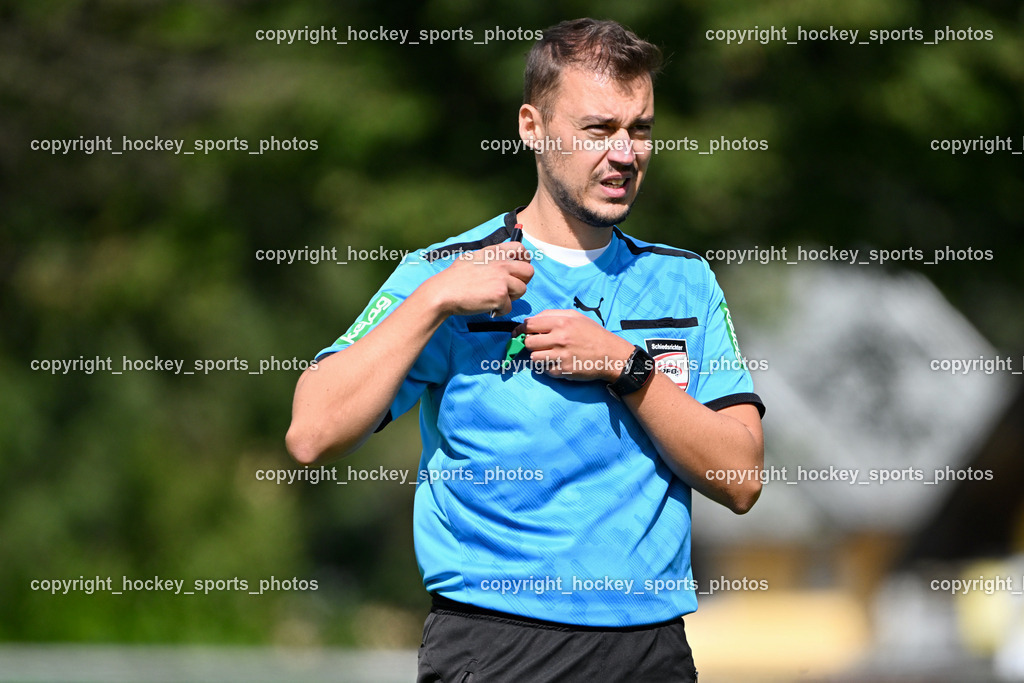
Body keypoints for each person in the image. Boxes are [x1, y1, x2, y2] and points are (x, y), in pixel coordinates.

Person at [287, 18, 764, 682]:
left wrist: (626, 367)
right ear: (531, 128)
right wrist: (432, 302)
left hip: (651, 647)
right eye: (599, 129)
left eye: (640, 129)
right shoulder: (448, 273)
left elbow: (741, 479)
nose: (625, 153)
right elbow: (311, 432)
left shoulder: (685, 279)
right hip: (497, 644)